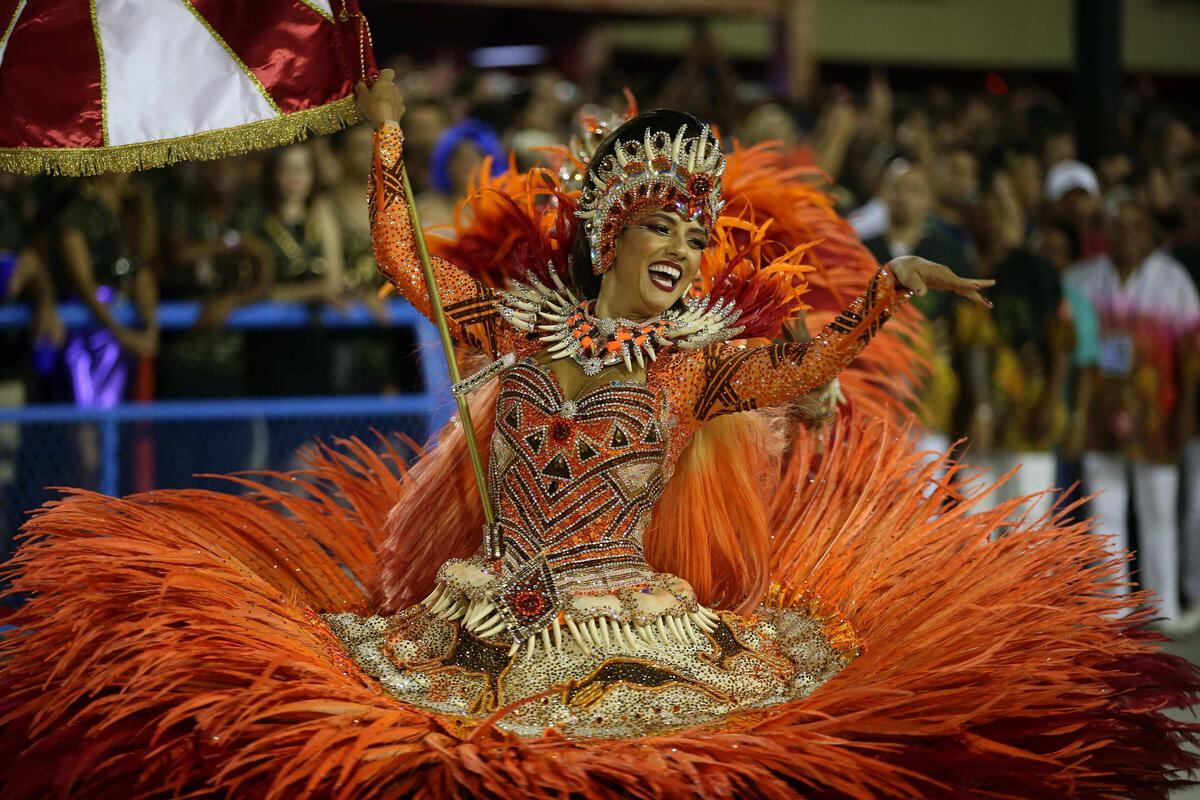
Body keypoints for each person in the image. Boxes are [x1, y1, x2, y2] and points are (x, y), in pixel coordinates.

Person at [3, 72, 1197, 800]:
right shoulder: (515, 328)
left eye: (696, 231)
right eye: (662, 227)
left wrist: (882, 292)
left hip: (632, 625)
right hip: (481, 618)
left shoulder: (696, 362)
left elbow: (810, 364)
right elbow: (395, 258)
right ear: (610, 237)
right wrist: (380, 135)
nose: (684, 248)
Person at [1067, 200, 1200, 623]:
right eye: (1118, 228)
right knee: (1105, 511)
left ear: (1149, 234)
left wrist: (1187, 412)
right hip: (1099, 412)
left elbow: (1193, 354)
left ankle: (1162, 611)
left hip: (1157, 414)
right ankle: (1113, 608)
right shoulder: (1082, 279)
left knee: (1158, 510)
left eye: (1135, 228)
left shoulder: (1173, 280)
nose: (1126, 237)